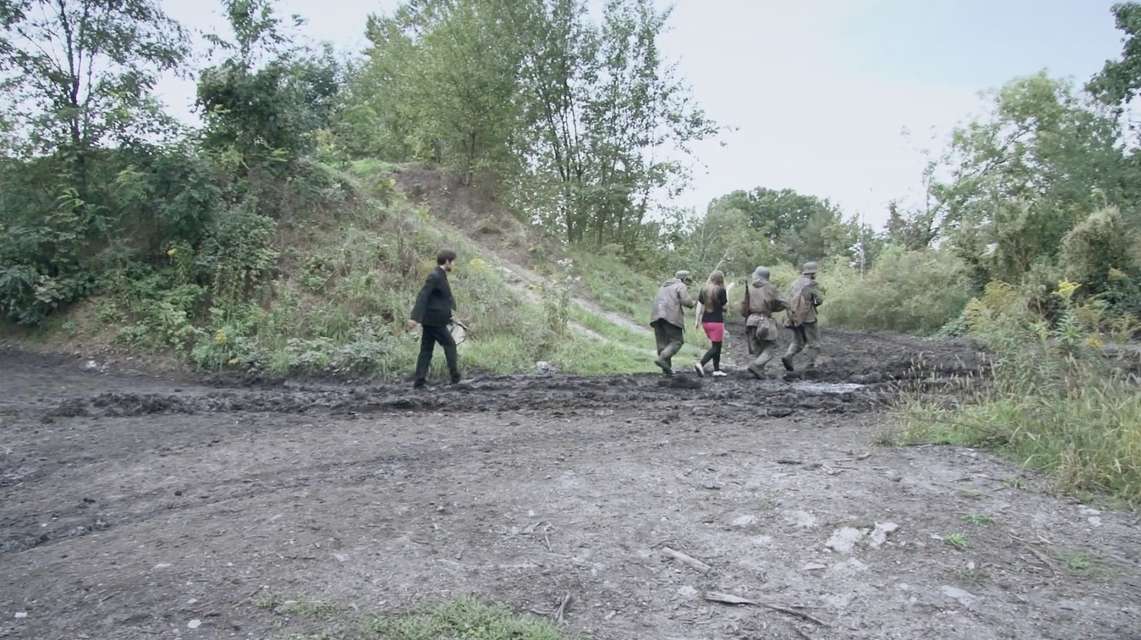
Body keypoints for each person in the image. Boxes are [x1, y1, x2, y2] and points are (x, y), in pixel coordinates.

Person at [408, 249, 461, 387]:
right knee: (450, 344)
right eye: (453, 262)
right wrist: (414, 317)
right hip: (434, 321)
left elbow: (439, 300)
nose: (454, 264)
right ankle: (455, 378)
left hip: (432, 320)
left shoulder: (440, 275)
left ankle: (419, 381)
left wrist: (450, 315)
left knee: (426, 350)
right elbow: (423, 296)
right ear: (447, 261)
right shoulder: (435, 276)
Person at [742, 266, 787, 378]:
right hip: (764, 321)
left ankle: (758, 371)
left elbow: (744, 306)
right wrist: (774, 308)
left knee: (758, 347)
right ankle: (756, 366)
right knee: (772, 346)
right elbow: (783, 302)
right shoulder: (770, 288)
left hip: (751, 321)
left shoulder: (750, 288)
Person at [649, 270, 695, 375]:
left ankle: (666, 371)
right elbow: (686, 301)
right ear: (684, 279)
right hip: (670, 316)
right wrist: (693, 303)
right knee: (677, 341)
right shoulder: (680, 285)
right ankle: (662, 358)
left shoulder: (664, 286)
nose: (689, 284)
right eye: (688, 281)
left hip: (656, 316)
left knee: (663, 344)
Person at [782, 261, 824, 372]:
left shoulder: (794, 283)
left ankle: (788, 355)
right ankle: (810, 366)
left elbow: (787, 300)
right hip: (808, 317)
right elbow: (819, 300)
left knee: (797, 341)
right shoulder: (812, 284)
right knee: (814, 343)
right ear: (813, 273)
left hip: (794, 317)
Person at [693, 270, 729, 377]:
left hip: (705, 321)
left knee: (716, 345)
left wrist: (697, 320)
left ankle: (716, 370)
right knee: (716, 347)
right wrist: (728, 294)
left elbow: (699, 305)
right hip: (717, 322)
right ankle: (701, 364)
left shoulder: (703, 290)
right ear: (721, 279)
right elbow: (725, 307)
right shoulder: (721, 290)